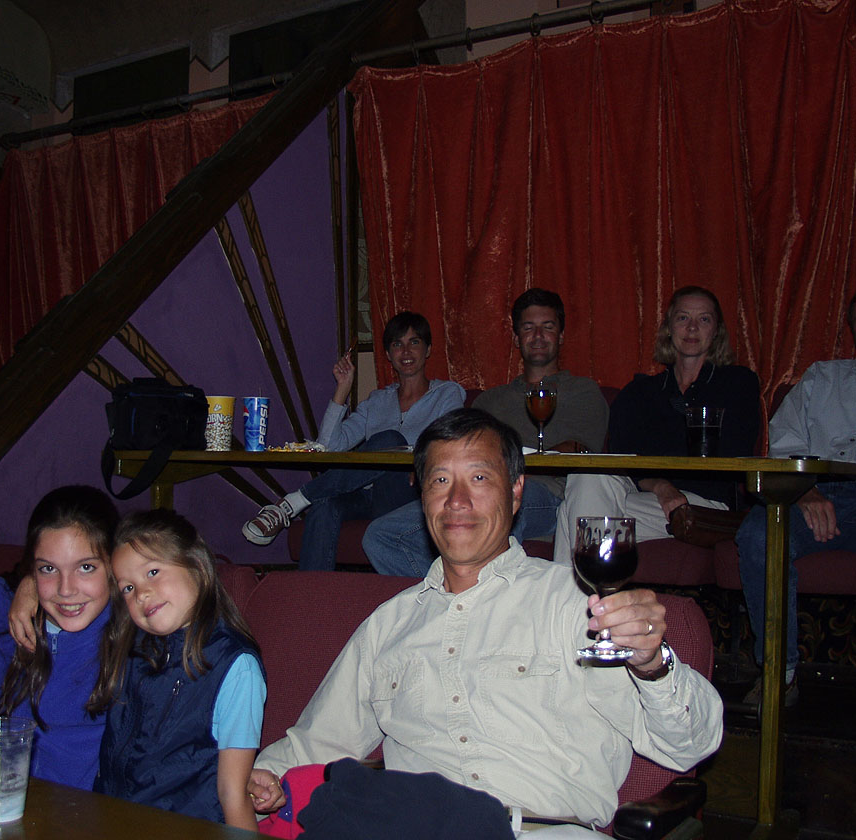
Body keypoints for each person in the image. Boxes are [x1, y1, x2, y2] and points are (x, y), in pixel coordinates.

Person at [247, 409, 723, 834]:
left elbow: (688, 745)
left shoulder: (576, 606)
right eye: (440, 481)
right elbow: (316, 743)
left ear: (515, 493)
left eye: (478, 478)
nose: (457, 500)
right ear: (422, 498)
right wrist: (259, 778)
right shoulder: (389, 625)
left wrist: (652, 665)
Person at [735, 281, 856, 742]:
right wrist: (803, 492)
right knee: (758, 530)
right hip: (815, 497)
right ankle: (779, 673)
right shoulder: (821, 378)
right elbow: (783, 448)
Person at [363, 289, 608, 576]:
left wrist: (511, 467)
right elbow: (458, 450)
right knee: (380, 536)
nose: (538, 335)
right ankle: (450, 597)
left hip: (548, 493)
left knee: (489, 511)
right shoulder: (489, 401)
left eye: (548, 327)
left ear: (561, 336)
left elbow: (581, 451)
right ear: (517, 338)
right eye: (528, 328)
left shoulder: (583, 392)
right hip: (479, 485)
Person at [242, 311, 465, 570]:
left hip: (411, 491)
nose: (406, 351)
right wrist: (343, 389)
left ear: (428, 350)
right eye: (397, 344)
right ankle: (310, 591)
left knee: (390, 439)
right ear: (388, 354)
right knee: (325, 504)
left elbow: (448, 445)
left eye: (414, 342)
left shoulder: (448, 394)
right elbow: (328, 448)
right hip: (368, 495)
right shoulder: (377, 401)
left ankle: (293, 502)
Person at [554, 286, 760, 557]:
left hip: (704, 505)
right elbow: (622, 455)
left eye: (704, 319)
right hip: (646, 494)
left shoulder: (737, 384)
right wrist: (661, 486)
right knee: (588, 477)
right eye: (683, 318)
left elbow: (735, 453)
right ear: (669, 328)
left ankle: (576, 585)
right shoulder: (640, 393)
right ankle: (590, 583)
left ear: (716, 331)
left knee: (572, 512)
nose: (692, 328)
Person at [96, 509, 265, 831]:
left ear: (197, 566)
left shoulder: (235, 667)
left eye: (153, 572)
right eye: (127, 588)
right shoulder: (133, 647)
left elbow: (232, 792)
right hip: (115, 820)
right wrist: (28, 587)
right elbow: (72, 599)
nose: (141, 593)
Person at [0, 486, 128, 790]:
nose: (65, 589)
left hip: (80, 806)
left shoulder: (129, 638)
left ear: (115, 565)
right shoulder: (14, 622)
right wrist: (29, 583)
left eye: (86, 567)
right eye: (48, 569)